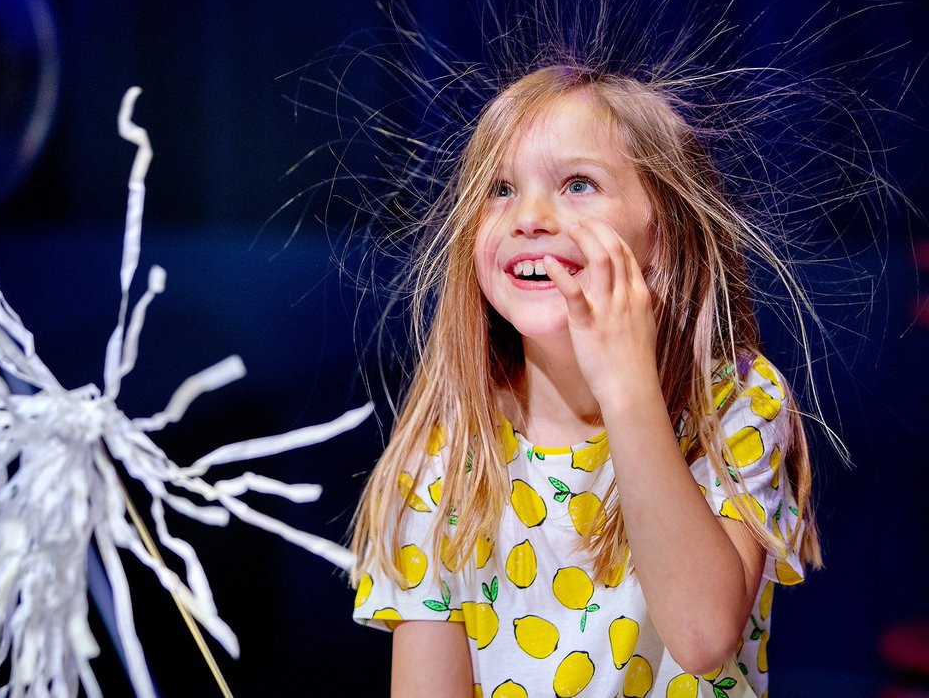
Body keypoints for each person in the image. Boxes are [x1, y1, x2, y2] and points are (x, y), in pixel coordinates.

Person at [349, 65, 820, 698]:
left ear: (664, 233)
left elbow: (705, 637)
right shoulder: (452, 451)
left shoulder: (735, 403)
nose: (530, 217)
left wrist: (625, 384)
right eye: (500, 189)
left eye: (577, 184)